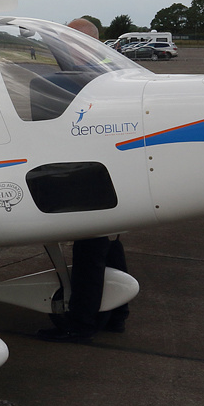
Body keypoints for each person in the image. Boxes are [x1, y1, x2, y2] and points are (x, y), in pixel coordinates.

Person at [40, 17, 131, 341]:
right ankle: (116, 313)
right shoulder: (115, 74)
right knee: (109, 245)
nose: (60, 48)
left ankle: (81, 322)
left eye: (68, 42)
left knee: (90, 250)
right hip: (107, 168)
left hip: (91, 171)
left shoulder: (83, 78)